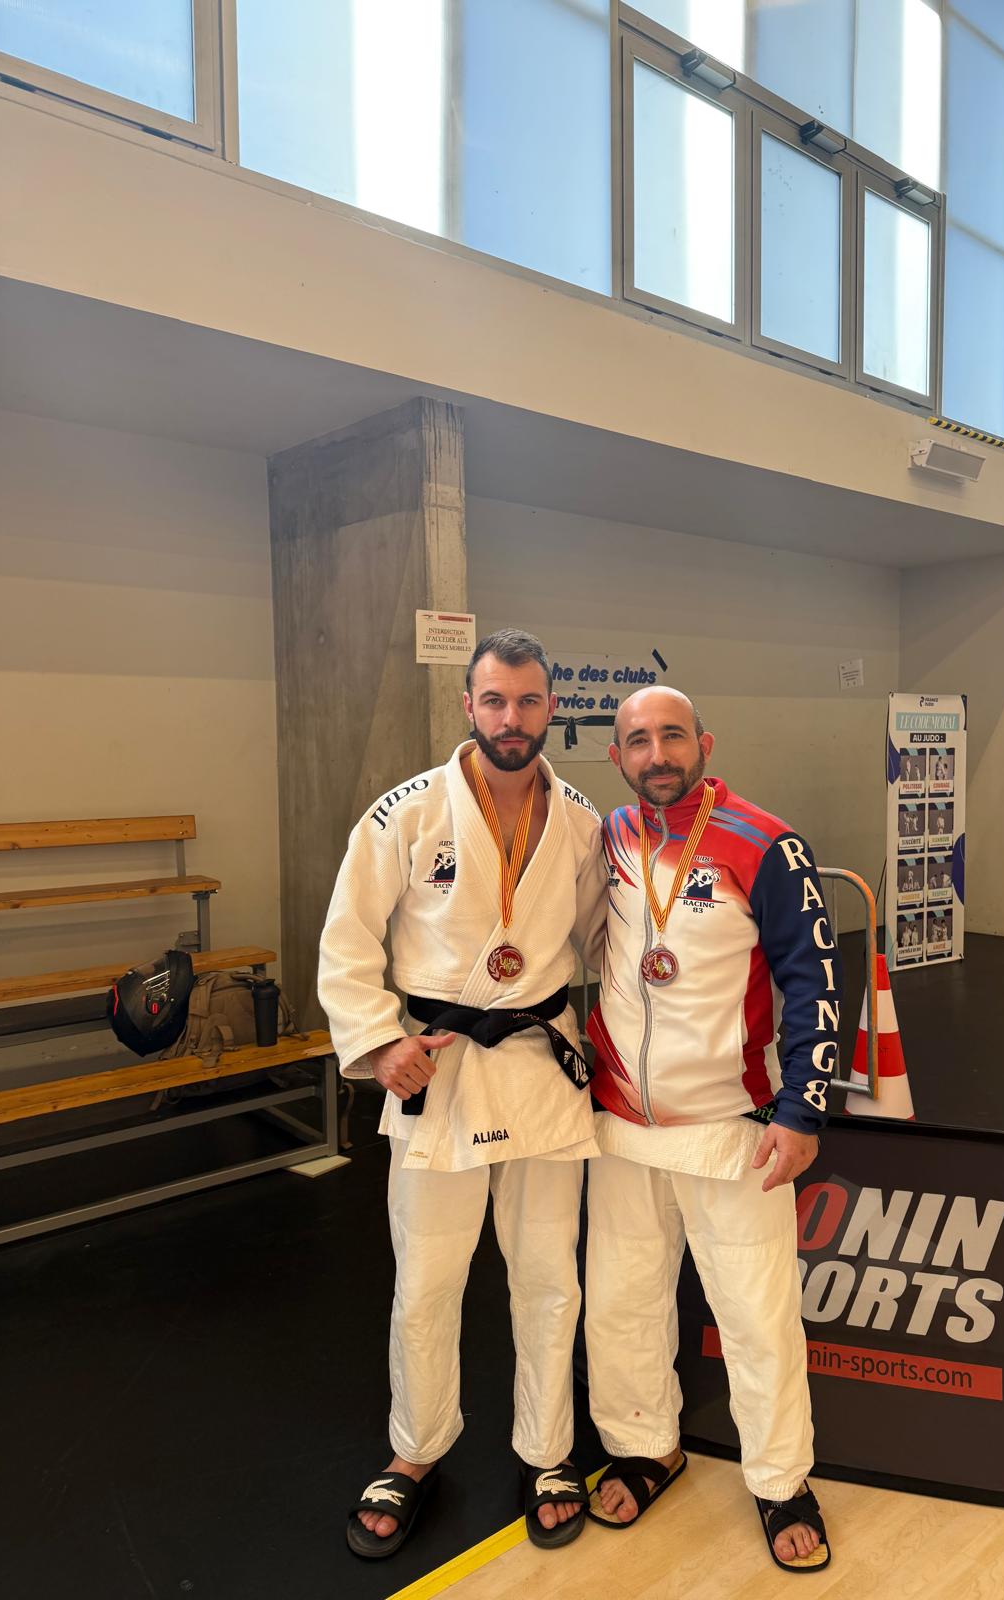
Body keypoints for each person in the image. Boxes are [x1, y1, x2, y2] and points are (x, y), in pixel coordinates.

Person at [318, 629, 606, 1560]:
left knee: (549, 1279)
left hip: (541, 1064)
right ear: (470, 705)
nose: (511, 718)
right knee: (426, 1283)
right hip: (438, 1067)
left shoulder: (582, 821)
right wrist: (378, 1042)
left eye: (528, 701)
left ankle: (548, 1450)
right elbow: (347, 938)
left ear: (551, 708)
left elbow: (606, 943)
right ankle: (415, 1448)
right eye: (494, 700)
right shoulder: (405, 812)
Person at [582, 687, 837, 1574]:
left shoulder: (767, 844)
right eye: (638, 740)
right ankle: (644, 1446)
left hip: (734, 1125)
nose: (657, 754)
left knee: (757, 1316)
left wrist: (802, 1108)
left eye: (672, 736)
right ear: (617, 755)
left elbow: (813, 978)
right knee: (621, 1304)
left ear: (705, 743)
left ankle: (781, 1481)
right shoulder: (608, 838)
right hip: (620, 1122)